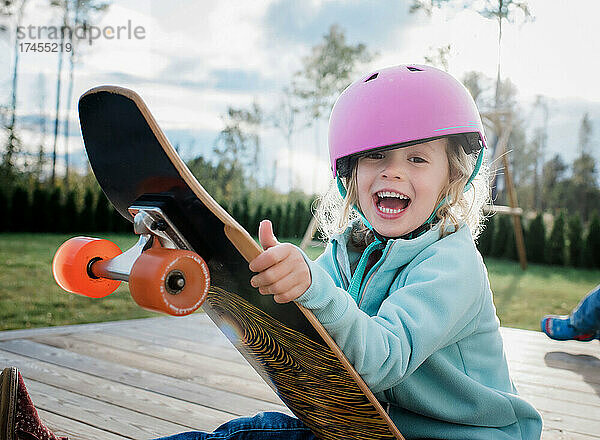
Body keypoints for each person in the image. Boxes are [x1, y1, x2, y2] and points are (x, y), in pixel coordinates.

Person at [0, 65, 542, 440]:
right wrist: (225, 271)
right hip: (370, 428)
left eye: (417, 159)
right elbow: (311, 338)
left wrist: (313, 287)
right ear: (351, 175)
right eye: (374, 156)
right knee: (250, 435)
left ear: (453, 176)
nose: (393, 171)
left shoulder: (451, 264)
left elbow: (381, 360)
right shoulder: (347, 254)